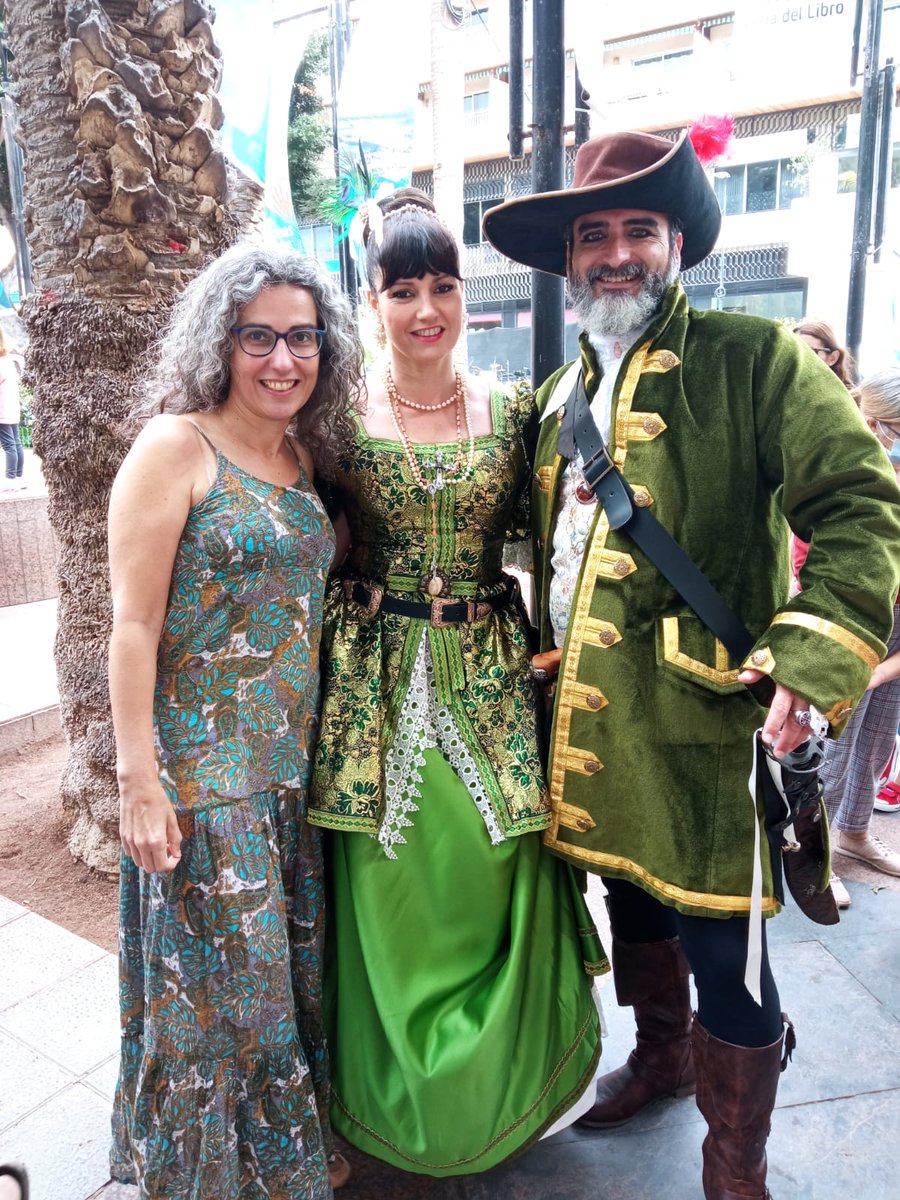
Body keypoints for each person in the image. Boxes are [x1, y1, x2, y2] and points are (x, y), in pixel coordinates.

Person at [483, 130, 900, 1199]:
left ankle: (735, 1163)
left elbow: (858, 509)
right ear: (569, 259)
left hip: (714, 724)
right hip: (595, 727)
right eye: (595, 235)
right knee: (636, 910)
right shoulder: (549, 401)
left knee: (732, 961)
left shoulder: (757, 362)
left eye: (637, 229)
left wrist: (812, 655)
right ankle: (662, 1058)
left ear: (677, 242)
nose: (616, 253)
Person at [309, 188, 605, 1176]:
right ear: (375, 300)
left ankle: (501, 1093)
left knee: (493, 869)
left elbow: (560, 537)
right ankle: (388, 1097)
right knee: (393, 887)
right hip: (374, 691)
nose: (426, 307)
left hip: (489, 676)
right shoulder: (331, 419)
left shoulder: (516, 412)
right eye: (404, 288)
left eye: (444, 285)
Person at [107, 243, 363, 1199]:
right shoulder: (176, 445)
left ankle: (279, 1162)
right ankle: (213, 1178)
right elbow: (131, 625)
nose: (282, 360)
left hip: (287, 780)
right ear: (222, 342)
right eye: (259, 337)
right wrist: (140, 782)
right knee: (220, 1011)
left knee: (276, 999)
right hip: (204, 789)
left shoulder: (301, 455)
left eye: (302, 337)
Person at [822, 367, 900, 903]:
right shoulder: (840, 465)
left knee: (874, 744)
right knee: (832, 746)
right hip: (847, 621)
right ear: (875, 425)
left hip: (892, 623)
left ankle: (853, 832)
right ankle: (812, 848)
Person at [792, 319, 856, 389]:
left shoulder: (840, 397)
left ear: (833, 358)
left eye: (811, 352)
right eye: (796, 351)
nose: (801, 358)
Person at [0, 328, 25, 494]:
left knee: (9, 445)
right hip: (12, 408)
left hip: (2, 409)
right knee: (15, 442)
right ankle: (18, 477)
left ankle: (10, 480)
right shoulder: (7, 360)